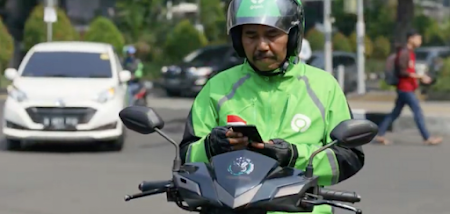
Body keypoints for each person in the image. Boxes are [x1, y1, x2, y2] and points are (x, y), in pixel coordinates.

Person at [179, 1, 365, 214]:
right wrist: (211, 146)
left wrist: (293, 156)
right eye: (251, 35)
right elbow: (186, 157)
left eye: (272, 34)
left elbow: (349, 156)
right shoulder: (217, 88)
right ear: (238, 40)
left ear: (293, 36)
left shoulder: (324, 88)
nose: (262, 46)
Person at [375, 30, 442, 145]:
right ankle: (427, 137)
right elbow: (403, 72)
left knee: (395, 113)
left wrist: (420, 78)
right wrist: (419, 76)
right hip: (405, 88)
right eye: (418, 38)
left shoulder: (410, 53)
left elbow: (409, 70)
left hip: (407, 88)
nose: (420, 41)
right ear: (411, 38)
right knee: (418, 112)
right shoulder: (404, 53)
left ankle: (380, 134)